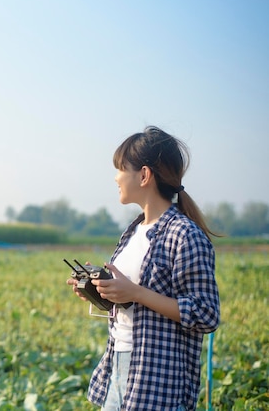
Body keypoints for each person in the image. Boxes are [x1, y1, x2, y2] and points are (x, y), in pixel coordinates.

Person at [66, 126, 220, 411]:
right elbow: (133, 303)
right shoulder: (133, 231)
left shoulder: (185, 235)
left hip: (158, 378)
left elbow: (206, 314)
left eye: (121, 168)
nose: (116, 177)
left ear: (144, 175)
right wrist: (102, 292)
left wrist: (135, 292)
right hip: (119, 363)